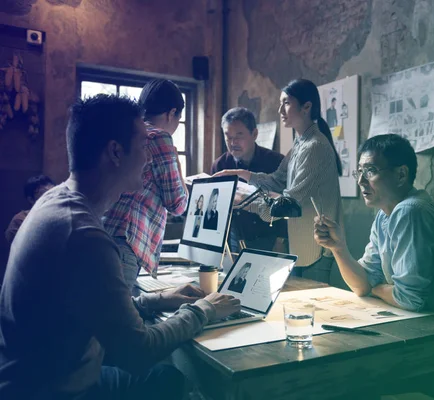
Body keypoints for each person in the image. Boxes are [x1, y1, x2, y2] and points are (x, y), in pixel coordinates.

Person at [0, 94, 241, 400]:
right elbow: (137, 352)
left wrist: (155, 300)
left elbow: (94, 310)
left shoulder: (56, 201)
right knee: (177, 381)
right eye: (143, 145)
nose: (148, 157)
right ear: (115, 152)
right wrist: (203, 310)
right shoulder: (85, 236)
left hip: (37, 378)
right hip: (53, 391)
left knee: (167, 377)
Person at [313, 133, 434, 369]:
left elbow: (409, 298)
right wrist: (338, 247)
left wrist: (378, 288)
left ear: (401, 174)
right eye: (358, 171)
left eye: (370, 171)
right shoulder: (385, 215)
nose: (361, 181)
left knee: (344, 369)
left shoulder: (411, 212)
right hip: (423, 332)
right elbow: (362, 286)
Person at [214, 79, 343, 284]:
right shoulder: (301, 143)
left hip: (315, 246)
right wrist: (244, 174)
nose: (280, 109)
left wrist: (242, 201)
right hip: (302, 244)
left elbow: (287, 204)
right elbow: (277, 180)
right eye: (280, 103)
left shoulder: (314, 146)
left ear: (306, 107)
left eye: (286, 103)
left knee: (311, 310)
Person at [104, 79, 188, 291]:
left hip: (105, 231)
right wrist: (178, 166)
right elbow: (177, 205)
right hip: (128, 241)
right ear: (172, 113)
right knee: (121, 321)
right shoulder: (160, 137)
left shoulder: (125, 134)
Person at [210, 107, 286, 253]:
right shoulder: (220, 166)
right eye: (228, 136)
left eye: (239, 135)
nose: (233, 142)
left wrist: (281, 241)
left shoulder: (276, 161)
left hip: (270, 237)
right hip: (234, 239)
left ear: (254, 134)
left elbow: (284, 205)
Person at [5, 174, 55, 245]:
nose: (51, 198)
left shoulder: (61, 215)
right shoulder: (20, 220)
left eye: (53, 193)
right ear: (31, 199)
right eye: (45, 194)